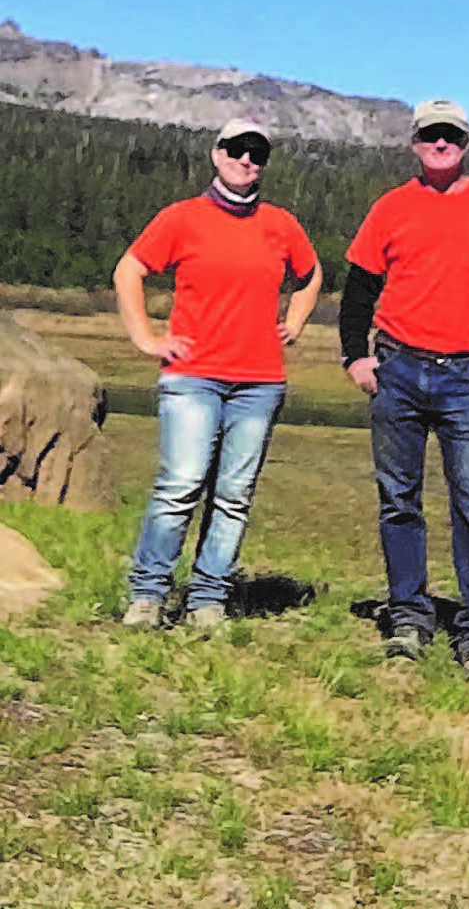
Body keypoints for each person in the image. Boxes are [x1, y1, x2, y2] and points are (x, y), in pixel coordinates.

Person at [340, 99, 469, 682]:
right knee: (399, 500)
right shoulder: (392, 208)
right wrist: (356, 355)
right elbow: (358, 288)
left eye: (450, 134)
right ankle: (408, 615)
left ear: (465, 143)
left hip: (468, 377)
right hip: (398, 369)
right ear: (415, 143)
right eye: (431, 134)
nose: (440, 143)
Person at [116, 119, 322, 629]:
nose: (246, 159)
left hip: (259, 381)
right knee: (180, 485)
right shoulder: (181, 218)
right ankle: (148, 594)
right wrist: (145, 337)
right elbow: (130, 270)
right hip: (192, 376)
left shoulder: (281, 224)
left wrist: (294, 321)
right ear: (216, 154)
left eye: (257, 152)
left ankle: (208, 598)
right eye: (236, 149)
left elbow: (312, 273)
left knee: (233, 494)